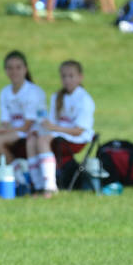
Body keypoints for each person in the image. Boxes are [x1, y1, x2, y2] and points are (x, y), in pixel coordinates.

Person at [0, 50, 46, 191]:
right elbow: (5, 122)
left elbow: (27, 125)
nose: (14, 71)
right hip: (12, 131)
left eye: (18, 67)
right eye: (10, 68)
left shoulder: (33, 91)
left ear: (25, 69)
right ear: (5, 70)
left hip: (30, 132)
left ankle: (20, 181)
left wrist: (0, 131)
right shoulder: (5, 92)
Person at [26, 60, 95, 198]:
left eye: (71, 76)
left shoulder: (84, 99)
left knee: (43, 140)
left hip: (76, 139)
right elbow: (51, 122)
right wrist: (41, 127)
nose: (67, 80)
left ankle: (50, 186)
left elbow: (79, 131)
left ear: (80, 77)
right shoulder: (57, 97)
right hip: (58, 134)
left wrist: (54, 128)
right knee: (32, 139)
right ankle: (37, 185)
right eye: (64, 76)